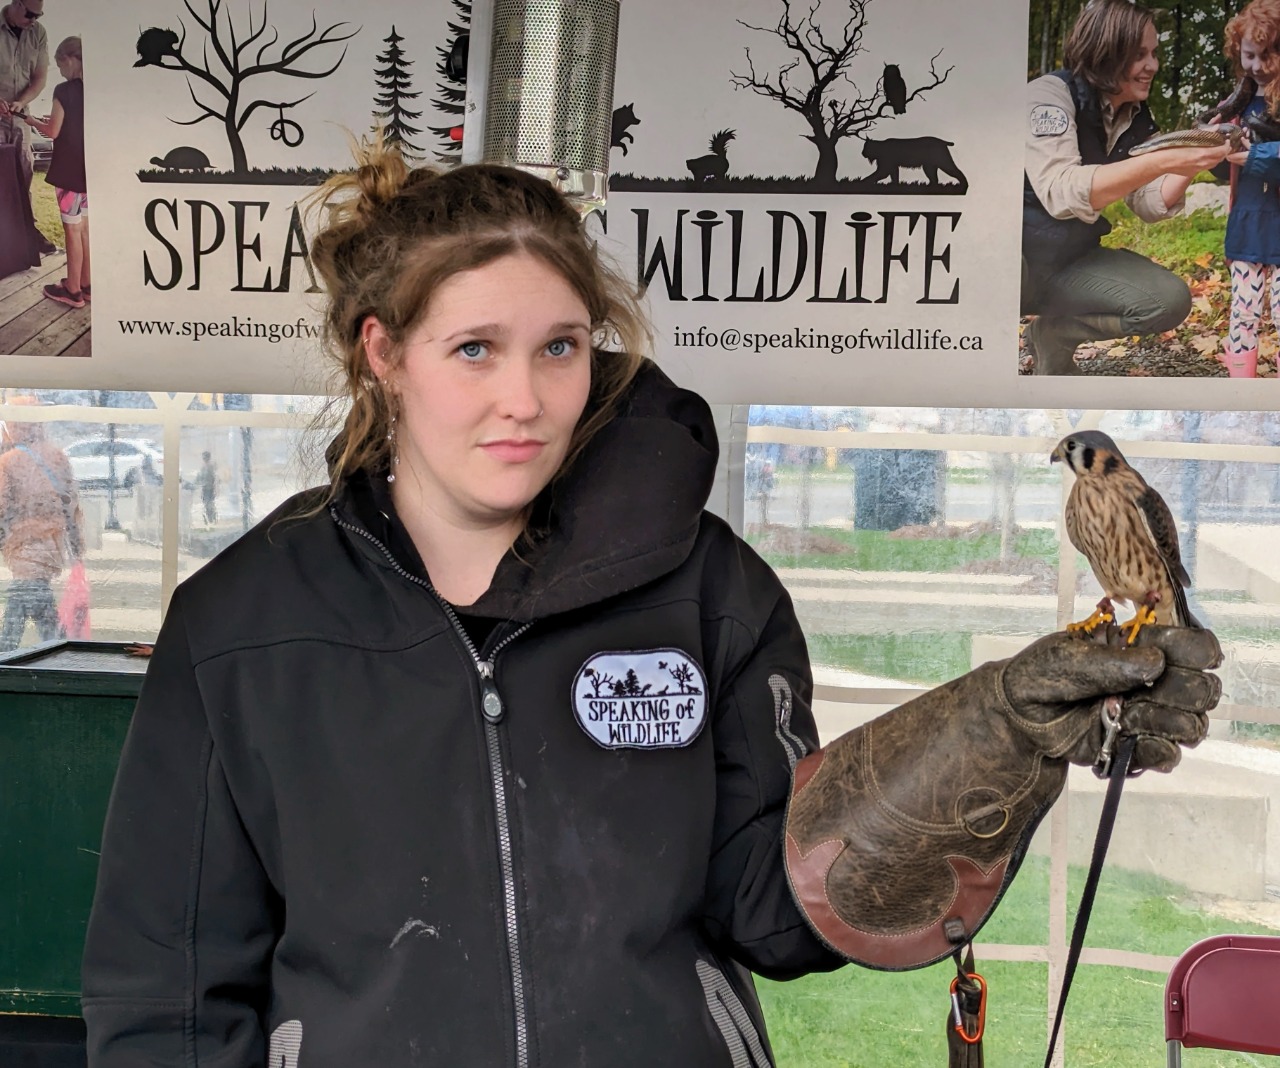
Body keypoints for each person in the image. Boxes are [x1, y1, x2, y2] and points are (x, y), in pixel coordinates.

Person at [80, 145, 1222, 1066]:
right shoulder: (244, 621)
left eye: (559, 348)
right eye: (472, 349)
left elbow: (775, 911)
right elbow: (165, 989)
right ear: (384, 353)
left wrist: (993, 741)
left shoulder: (706, 590)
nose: (523, 399)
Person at [1022, 0, 1235, 375]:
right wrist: (1163, 159)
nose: (1152, 66)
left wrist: (1193, 154)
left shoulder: (1135, 116)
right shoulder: (1049, 97)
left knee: (1167, 300)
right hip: (1012, 263)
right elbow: (1061, 193)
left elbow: (1150, 203)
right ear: (1106, 51)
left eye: (1153, 53)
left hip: (1071, 261)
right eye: (1139, 55)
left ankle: (1055, 334)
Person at [1216, 0, 1280, 377]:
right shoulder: (1235, 102)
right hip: (1249, 222)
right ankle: (1241, 387)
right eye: (1249, 55)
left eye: (1267, 56)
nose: (1257, 66)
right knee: (1243, 309)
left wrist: (1256, 156)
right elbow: (1219, 169)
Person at [0, 406, 83, 651]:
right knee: (35, 598)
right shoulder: (58, 456)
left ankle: (11, 657)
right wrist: (77, 547)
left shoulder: (8, 461)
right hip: (54, 544)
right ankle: (55, 648)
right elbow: (72, 504)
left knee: (25, 599)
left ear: (16, 425)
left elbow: (2, 506)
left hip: (24, 545)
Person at [22, 34, 86, 307]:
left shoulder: (64, 90)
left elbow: (53, 132)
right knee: (85, 229)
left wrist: (30, 119)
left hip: (69, 173)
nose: (60, 71)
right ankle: (87, 283)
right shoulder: (95, 90)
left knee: (71, 230)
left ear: (70, 59)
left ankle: (72, 290)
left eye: (60, 65)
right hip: (89, 172)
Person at [0, 0, 56, 257]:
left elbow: (40, 78)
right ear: (16, 3)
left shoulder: (39, 32)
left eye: (39, 15)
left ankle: (27, 235)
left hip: (20, 115)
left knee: (24, 176)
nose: (34, 20)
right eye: (30, 14)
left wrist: (21, 102)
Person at [195, 450, 216, 523]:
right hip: (205, 488)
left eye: (205, 457)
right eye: (203, 457)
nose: (204, 459)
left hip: (209, 488)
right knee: (207, 504)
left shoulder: (210, 467)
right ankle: (209, 519)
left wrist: (215, 487)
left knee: (209, 504)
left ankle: (210, 519)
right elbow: (198, 477)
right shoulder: (203, 467)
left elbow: (214, 478)